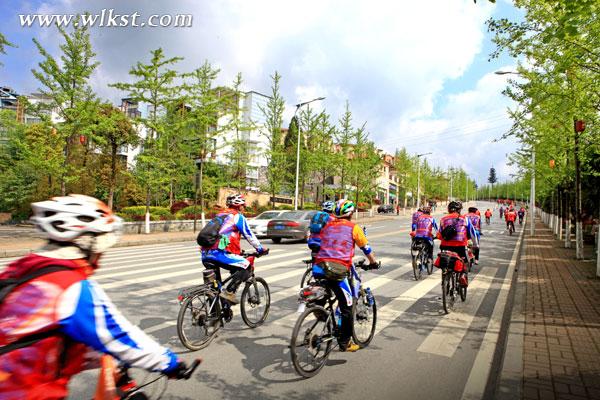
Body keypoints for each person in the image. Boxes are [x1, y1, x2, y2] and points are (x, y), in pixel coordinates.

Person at [0, 195, 190, 400]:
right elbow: (118, 336)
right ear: (86, 241)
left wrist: (103, 356)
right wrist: (169, 363)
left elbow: (38, 335)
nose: (102, 254)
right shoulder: (68, 285)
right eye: (101, 244)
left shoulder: (21, 269)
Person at [312, 199, 379, 352]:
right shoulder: (354, 228)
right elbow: (366, 249)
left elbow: (317, 242)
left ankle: (319, 309)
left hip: (318, 268)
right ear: (351, 213)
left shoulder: (327, 226)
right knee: (347, 307)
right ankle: (345, 342)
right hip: (337, 270)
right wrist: (373, 262)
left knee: (327, 292)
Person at [200, 194, 268, 304]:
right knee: (247, 267)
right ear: (239, 206)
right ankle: (229, 292)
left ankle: (214, 317)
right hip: (220, 254)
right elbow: (249, 235)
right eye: (243, 205)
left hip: (206, 254)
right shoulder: (237, 217)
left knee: (215, 289)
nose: (244, 208)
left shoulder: (219, 216)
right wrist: (260, 249)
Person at [437, 201, 477, 286]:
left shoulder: (443, 219)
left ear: (449, 209)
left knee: (444, 261)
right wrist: (476, 244)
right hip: (460, 246)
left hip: (445, 246)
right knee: (465, 261)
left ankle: (445, 273)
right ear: (459, 210)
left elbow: (440, 235)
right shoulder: (465, 219)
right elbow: (472, 233)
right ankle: (463, 275)